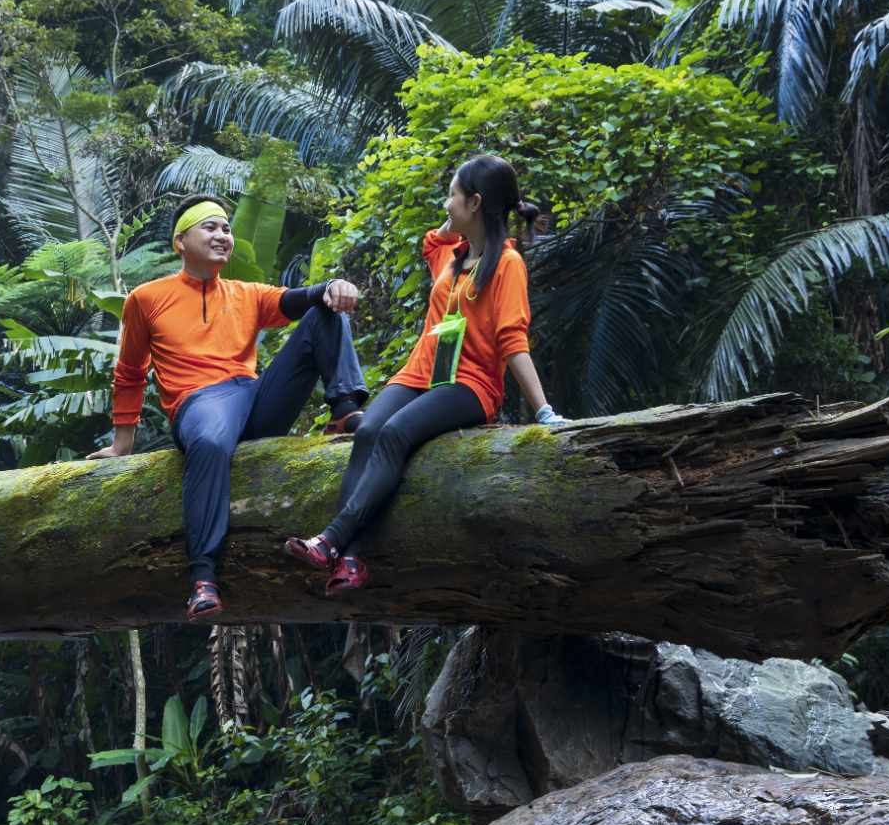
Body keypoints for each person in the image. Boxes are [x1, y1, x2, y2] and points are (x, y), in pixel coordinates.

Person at [285, 154, 566, 594]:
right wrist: (459, 222)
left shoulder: (507, 265)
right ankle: (351, 561)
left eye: (453, 195)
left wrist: (544, 411)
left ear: (475, 202)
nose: (446, 202)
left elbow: (513, 341)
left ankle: (332, 540)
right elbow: (432, 242)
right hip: (420, 373)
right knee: (368, 430)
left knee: (396, 434)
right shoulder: (451, 259)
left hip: (469, 385)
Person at [89, 193, 367, 622]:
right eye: (210, 227)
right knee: (210, 440)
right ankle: (203, 577)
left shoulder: (245, 294)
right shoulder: (146, 299)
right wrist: (121, 444)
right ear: (181, 241)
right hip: (200, 403)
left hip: (252, 400)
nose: (223, 235)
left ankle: (345, 409)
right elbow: (129, 372)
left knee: (324, 309)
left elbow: (295, 299)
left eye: (226, 228)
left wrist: (330, 288)